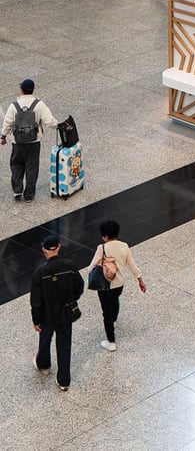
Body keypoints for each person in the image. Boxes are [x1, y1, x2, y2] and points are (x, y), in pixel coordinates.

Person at [30, 235, 85, 391]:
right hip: (65, 313)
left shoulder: (40, 272)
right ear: (59, 247)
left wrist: (36, 320)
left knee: (45, 340)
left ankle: (44, 365)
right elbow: (79, 286)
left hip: (47, 314)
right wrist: (72, 299)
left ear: (44, 250)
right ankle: (64, 381)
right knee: (64, 344)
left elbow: (36, 300)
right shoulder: (69, 265)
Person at [86, 220, 147, 352]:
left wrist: (92, 270)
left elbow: (91, 267)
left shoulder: (102, 248)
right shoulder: (124, 246)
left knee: (106, 312)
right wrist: (140, 280)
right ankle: (114, 320)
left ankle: (111, 341)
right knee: (115, 300)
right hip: (119, 283)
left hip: (105, 285)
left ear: (105, 236)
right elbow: (132, 265)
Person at [1, 79, 60, 201]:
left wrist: (3, 136)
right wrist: (59, 126)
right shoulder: (39, 104)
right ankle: (29, 195)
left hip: (17, 142)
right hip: (34, 142)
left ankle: (17, 190)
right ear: (33, 90)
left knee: (16, 165)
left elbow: (7, 123)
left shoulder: (14, 106)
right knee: (32, 167)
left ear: (21, 90)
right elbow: (49, 121)